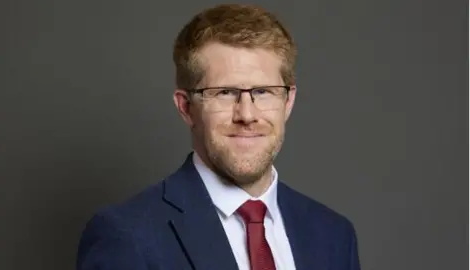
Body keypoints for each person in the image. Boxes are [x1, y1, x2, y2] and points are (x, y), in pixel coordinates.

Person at [76, 3, 361, 270]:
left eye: (263, 91)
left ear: (288, 102)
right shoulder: (126, 237)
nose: (247, 115)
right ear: (186, 108)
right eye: (225, 93)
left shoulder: (333, 236)